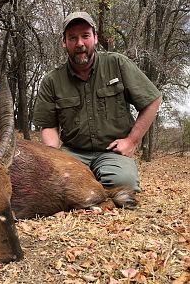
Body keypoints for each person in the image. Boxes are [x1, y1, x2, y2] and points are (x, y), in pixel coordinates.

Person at [33, 11, 162, 193]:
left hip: (112, 152)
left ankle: (92, 186)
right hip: (73, 152)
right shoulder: (52, 80)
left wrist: (132, 141)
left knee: (124, 185)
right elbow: (47, 126)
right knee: (52, 187)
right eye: (72, 38)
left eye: (85, 36)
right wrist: (55, 159)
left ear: (95, 37)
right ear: (64, 42)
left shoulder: (117, 63)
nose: (79, 43)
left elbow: (153, 99)